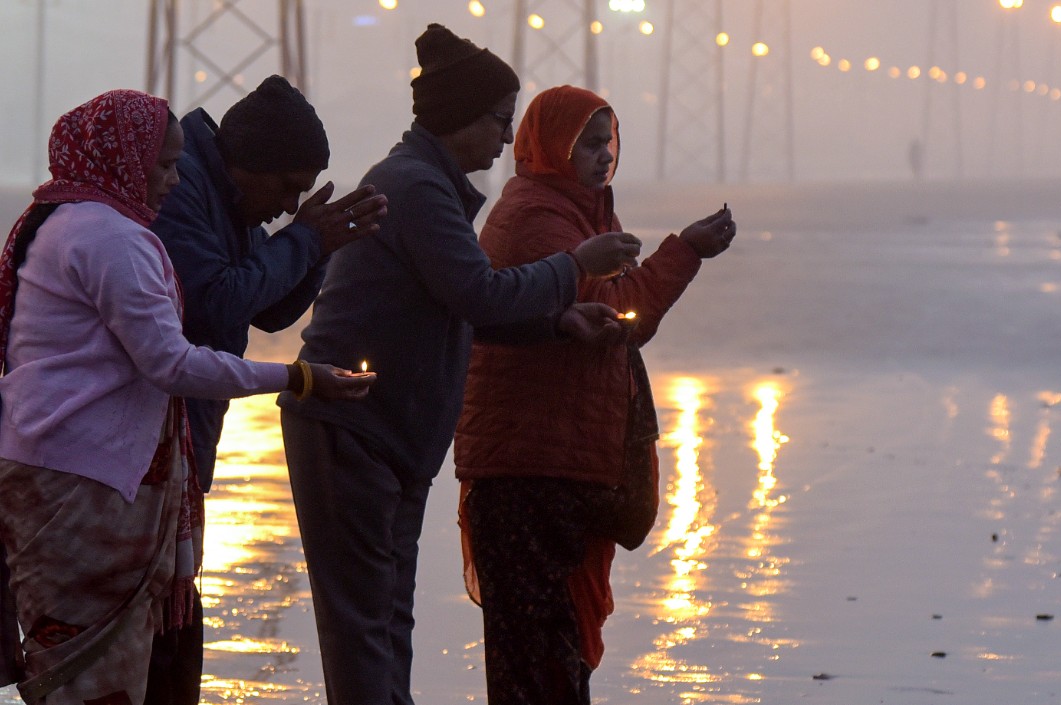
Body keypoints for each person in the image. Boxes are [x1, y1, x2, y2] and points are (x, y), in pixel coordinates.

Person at [277, 24, 641, 705]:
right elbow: (477, 291)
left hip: (392, 438)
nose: (507, 140)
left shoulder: (428, 184)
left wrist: (555, 320)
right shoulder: (414, 187)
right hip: (350, 428)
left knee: (390, 616)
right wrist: (575, 268)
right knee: (364, 623)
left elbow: (462, 305)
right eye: (501, 122)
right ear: (458, 120)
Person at [0, 89, 374, 705]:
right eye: (163, 166)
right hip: (85, 478)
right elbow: (180, 349)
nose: (174, 180)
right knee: (93, 673)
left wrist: (315, 247)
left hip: (96, 471)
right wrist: (301, 377)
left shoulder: (93, 222)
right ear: (124, 160)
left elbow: (259, 307)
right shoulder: (112, 236)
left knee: (118, 664)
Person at [454, 84, 736, 705]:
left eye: (608, 141)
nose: (602, 154)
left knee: (552, 655)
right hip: (529, 467)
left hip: (553, 459)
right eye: (586, 143)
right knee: (541, 659)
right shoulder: (536, 218)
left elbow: (620, 320)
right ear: (550, 146)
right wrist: (685, 251)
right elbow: (615, 318)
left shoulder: (582, 212)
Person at [146, 74, 387, 704]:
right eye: (284, 187)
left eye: (301, 194)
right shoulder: (183, 188)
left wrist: (322, 248)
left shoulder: (225, 192)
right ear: (242, 163)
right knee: (150, 618)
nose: (286, 204)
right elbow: (213, 304)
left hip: (187, 429)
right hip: (147, 438)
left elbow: (269, 311)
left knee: (171, 610)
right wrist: (305, 239)